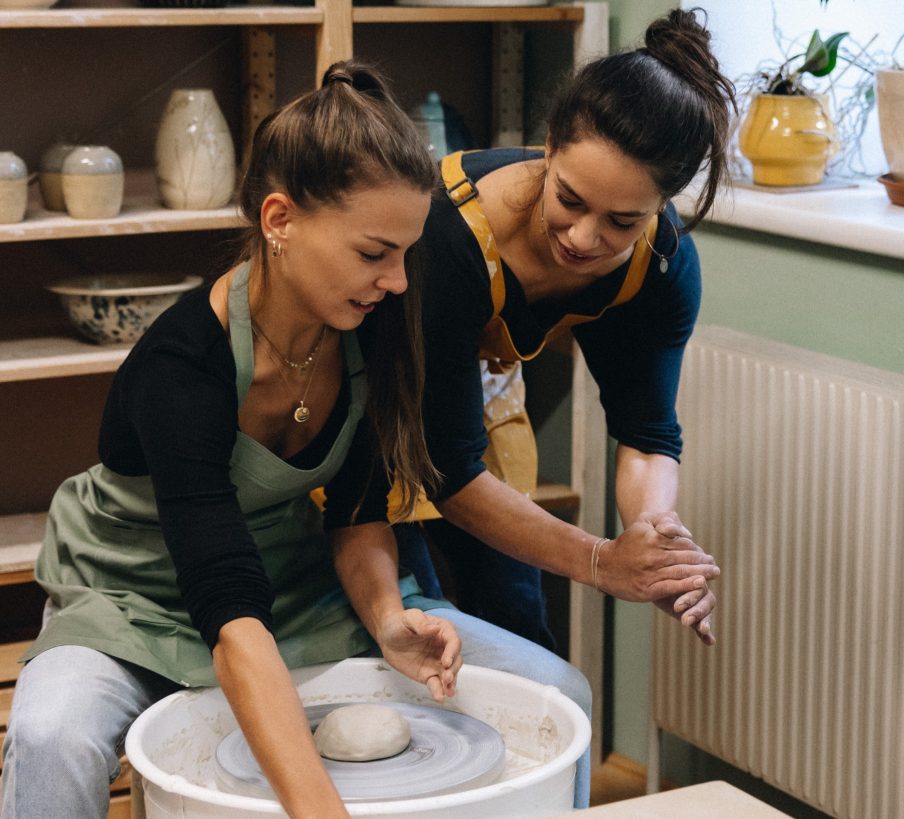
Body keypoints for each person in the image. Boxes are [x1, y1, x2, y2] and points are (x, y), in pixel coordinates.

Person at [0, 61, 590, 819]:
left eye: (406, 253)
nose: (399, 280)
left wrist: (385, 619)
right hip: (135, 596)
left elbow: (356, 512)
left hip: (297, 589)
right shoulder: (182, 365)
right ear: (280, 221)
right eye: (375, 252)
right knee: (52, 736)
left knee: (559, 691)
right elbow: (227, 605)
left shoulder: (374, 326)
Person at [392, 8, 735, 649]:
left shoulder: (659, 267)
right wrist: (604, 563)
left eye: (622, 221)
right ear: (548, 144)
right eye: (570, 200)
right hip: (369, 414)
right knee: (409, 627)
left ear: (662, 206)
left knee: (518, 628)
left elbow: (648, 434)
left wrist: (658, 544)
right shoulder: (447, 235)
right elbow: (447, 472)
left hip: (472, 423)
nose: (584, 237)